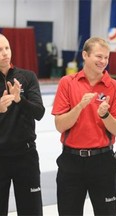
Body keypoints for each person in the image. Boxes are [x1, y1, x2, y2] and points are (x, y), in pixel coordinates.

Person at [51, 37, 116, 216]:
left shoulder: (114, 87)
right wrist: (79, 107)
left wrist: (105, 115)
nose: (103, 62)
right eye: (99, 56)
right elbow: (60, 125)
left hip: (102, 161)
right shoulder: (67, 83)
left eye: (106, 58)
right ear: (85, 55)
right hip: (71, 161)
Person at [0, 34, 45, 215]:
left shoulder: (27, 77)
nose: (5, 53)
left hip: (26, 157)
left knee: (31, 211)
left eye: (7, 48)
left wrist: (20, 100)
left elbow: (39, 113)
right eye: (0, 50)